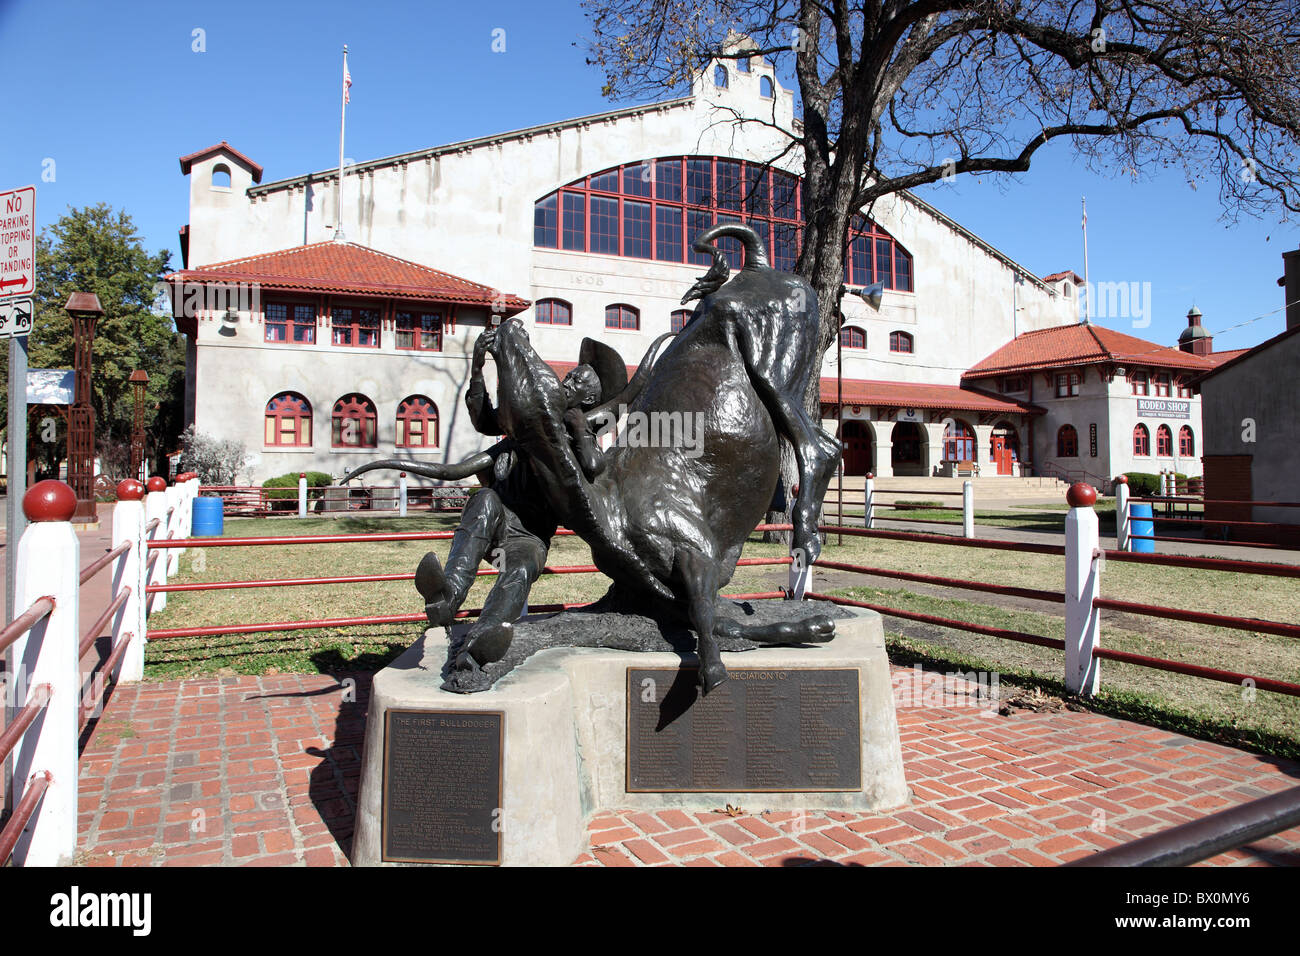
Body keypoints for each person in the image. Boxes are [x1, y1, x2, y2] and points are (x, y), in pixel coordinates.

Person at [415, 326, 606, 668]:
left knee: (517, 571)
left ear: (587, 400)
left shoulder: (577, 434)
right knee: (485, 498)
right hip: (498, 518)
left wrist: (579, 428)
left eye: (576, 382)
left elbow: (594, 467)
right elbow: (484, 419)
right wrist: (477, 367)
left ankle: (486, 637)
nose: (567, 382)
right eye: (569, 376)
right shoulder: (522, 422)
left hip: (529, 537)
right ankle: (447, 597)